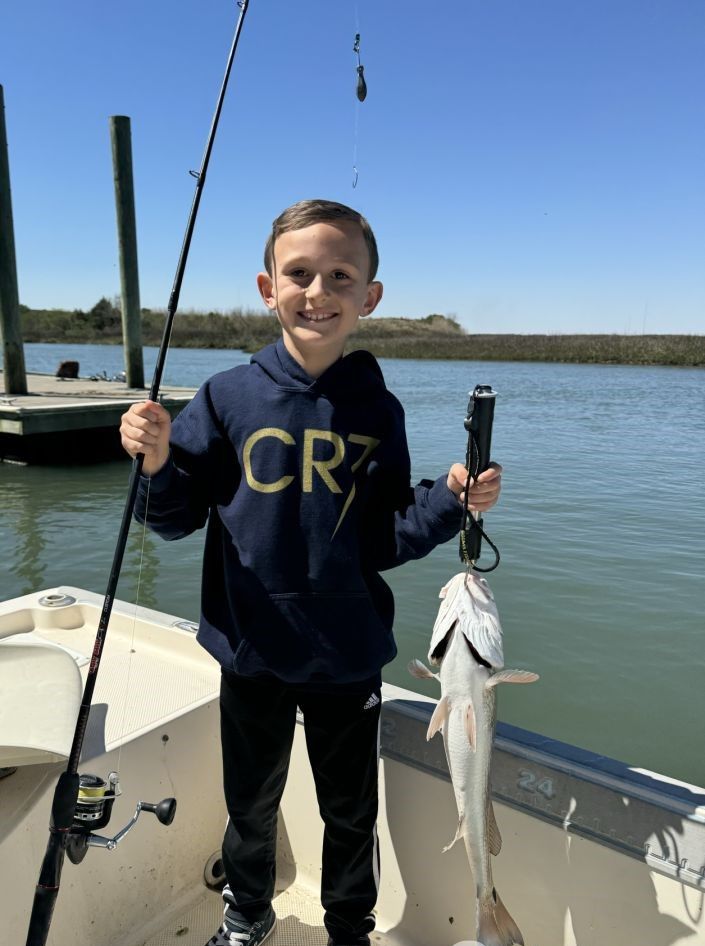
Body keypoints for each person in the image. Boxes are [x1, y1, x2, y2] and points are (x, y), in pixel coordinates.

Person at [119, 199, 502, 946]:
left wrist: (448, 501)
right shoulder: (224, 396)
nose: (317, 291)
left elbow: (384, 536)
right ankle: (246, 910)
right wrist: (157, 462)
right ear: (268, 289)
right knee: (249, 803)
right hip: (249, 650)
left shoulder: (379, 410)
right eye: (298, 274)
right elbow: (170, 518)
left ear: (369, 297)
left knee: (350, 813)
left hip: (346, 655)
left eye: (340, 276)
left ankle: (349, 928)